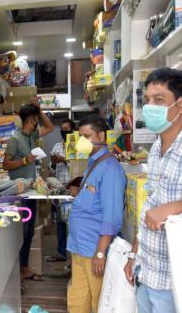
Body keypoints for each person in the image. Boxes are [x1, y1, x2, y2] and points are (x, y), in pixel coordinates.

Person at [124, 68, 182, 313]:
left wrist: (175, 207)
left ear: (179, 105)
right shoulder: (156, 147)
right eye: (147, 100)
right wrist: (134, 253)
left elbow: (164, 208)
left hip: (173, 279)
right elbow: (151, 205)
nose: (150, 107)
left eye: (159, 100)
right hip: (147, 271)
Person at [67, 115, 126, 313]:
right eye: (80, 136)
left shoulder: (110, 168)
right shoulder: (94, 163)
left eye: (87, 136)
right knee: (77, 302)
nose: (82, 141)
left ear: (101, 135)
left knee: (99, 303)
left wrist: (100, 253)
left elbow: (112, 217)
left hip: (94, 252)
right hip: (79, 248)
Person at [3, 103, 55, 280]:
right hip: (19, 194)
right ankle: (17, 269)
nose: (38, 120)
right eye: (36, 118)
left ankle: (23, 268)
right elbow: (6, 164)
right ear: (30, 119)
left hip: (31, 191)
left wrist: (39, 111)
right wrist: (25, 160)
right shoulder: (15, 139)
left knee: (30, 231)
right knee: (22, 232)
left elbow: (50, 127)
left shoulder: (32, 134)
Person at [46, 119, 75, 263]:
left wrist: (64, 160)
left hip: (74, 190)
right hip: (59, 189)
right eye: (62, 129)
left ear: (72, 129)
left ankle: (75, 255)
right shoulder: (56, 146)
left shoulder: (76, 146)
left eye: (67, 129)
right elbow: (51, 169)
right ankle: (61, 252)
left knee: (74, 222)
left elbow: (78, 166)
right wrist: (53, 162)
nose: (64, 131)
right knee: (60, 222)